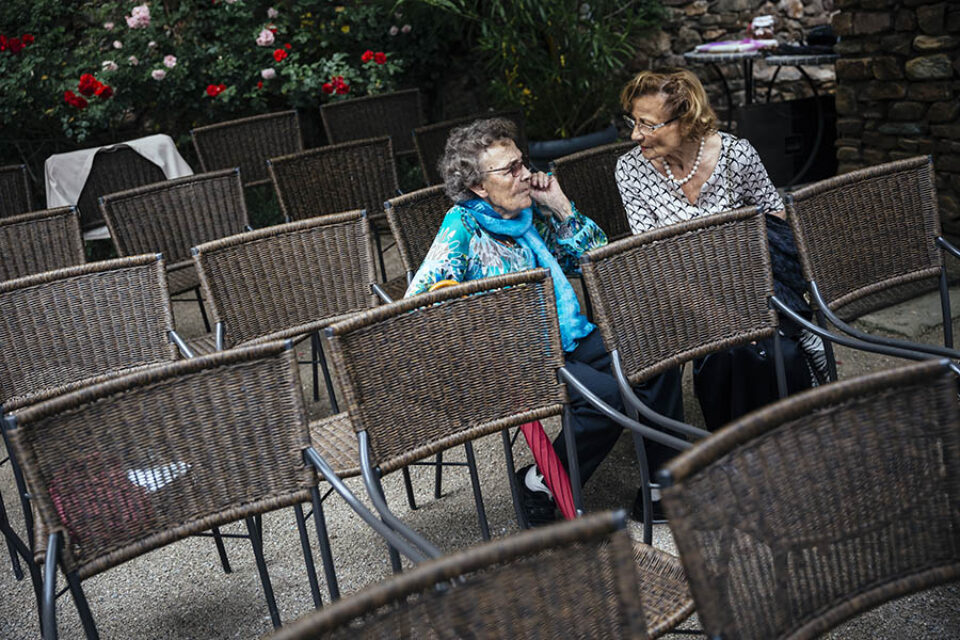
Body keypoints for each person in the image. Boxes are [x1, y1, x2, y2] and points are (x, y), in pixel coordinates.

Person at [406, 117, 682, 525]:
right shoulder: (460, 228)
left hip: (564, 336)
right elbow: (418, 305)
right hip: (511, 358)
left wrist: (561, 206)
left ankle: (662, 484)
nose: (525, 175)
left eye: (523, 162)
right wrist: (483, 318)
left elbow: (592, 261)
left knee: (655, 354)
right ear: (479, 187)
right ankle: (541, 481)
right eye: (510, 169)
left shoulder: (526, 217)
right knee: (605, 399)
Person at [615, 68, 827, 513]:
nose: (637, 135)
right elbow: (653, 257)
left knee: (770, 351)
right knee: (734, 347)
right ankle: (735, 464)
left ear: (686, 120)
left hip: (751, 281)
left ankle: (780, 459)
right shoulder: (630, 170)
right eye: (633, 122)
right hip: (680, 293)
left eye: (648, 124)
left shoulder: (736, 155)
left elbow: (776, 224)